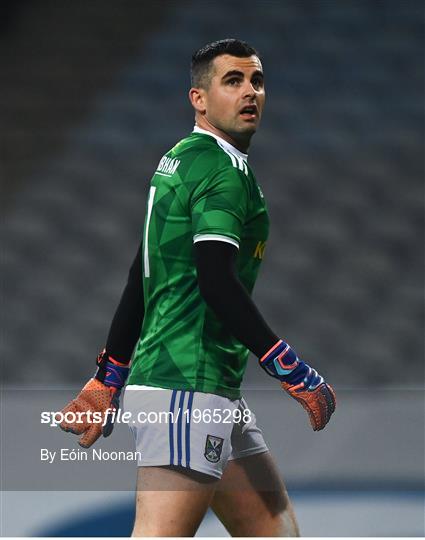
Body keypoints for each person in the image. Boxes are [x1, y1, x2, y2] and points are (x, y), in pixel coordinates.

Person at [57, 38, 336, 537]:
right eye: (233, 81)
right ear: (199, 99)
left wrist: (109, 376)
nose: (250, 91)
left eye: (257, 81)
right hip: (187, 385)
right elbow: (216, 282)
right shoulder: (222, 172)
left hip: (206, 387)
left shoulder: (181, 159)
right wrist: (292, 369)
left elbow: (142, 273)